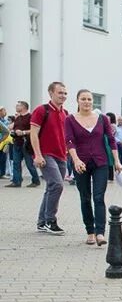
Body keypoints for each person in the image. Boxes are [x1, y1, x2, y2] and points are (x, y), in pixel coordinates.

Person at [65, 90, 122, 246]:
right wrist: (76, 160)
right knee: (85, 197)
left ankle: (100, 233)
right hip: (80, 164)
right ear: (77, 101)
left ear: (93, 101)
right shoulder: (70, 119)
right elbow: (69, 141)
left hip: (100, 162)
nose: (86, 102)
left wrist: (117, 161)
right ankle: (90, 231)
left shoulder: (102, 118)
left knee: (98, 197)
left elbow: (111, 140)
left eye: (89, 99)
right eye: (83, 99)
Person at [30, 82, 69, 235]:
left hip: (61, 155)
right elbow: (33, 133)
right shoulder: (41, 110)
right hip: (45, 154)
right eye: (60, 93)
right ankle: (50, 221)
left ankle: (41, 222)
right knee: (57, 185)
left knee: (51, 188)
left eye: (65, 93)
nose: (63, 96)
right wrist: (37, 154)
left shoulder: (65, 113)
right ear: (51, 93)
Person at [8, 101, 40, 188]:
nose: (16, 107)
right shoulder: (17, 118)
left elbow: (35, 130)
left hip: (26, 144)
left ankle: (36, 180)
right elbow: (10, 127)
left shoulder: (31, 116)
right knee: (16, 163)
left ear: (23, 107)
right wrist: (13, 130)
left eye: (18, 105)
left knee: (29, 164)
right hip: (17, 143)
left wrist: (23, 132)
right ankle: (16, 181)